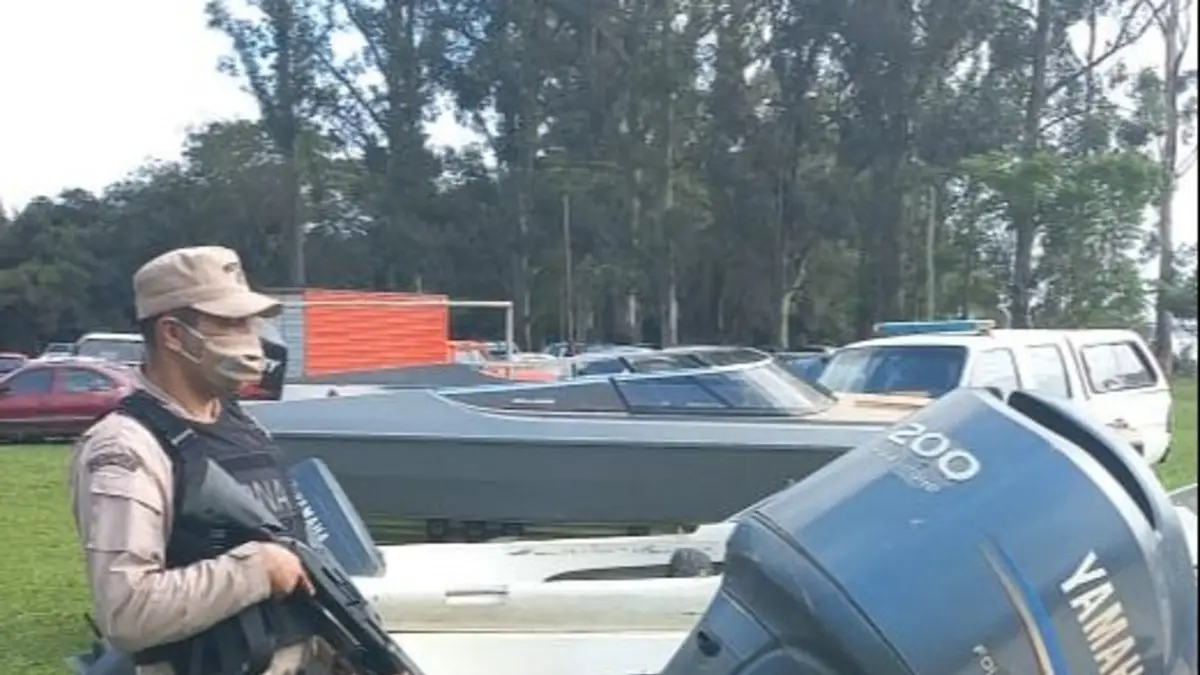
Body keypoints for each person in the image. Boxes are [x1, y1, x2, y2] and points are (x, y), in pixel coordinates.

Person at [68, 246, 390, 675]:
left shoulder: (242, 424)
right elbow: (127, 611)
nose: (250, 337)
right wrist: (257, 570)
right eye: (231, 323)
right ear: (173, 334)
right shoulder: (127, 446)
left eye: (250, 322)